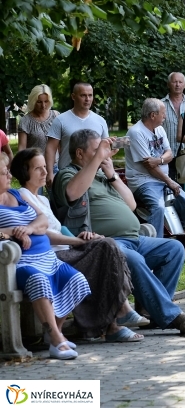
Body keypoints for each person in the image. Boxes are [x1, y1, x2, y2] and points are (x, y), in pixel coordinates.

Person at [52, 129, 185, 335]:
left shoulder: (102, 175)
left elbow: (131, 205)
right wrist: (98, 160)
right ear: (80, 153)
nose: (103, 153)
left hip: (134, 238)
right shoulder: (67, 174)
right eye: (97, 149)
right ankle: (171, 316)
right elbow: (71, 193)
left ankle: (150, 311)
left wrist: (112, 175)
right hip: (107, 244)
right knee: (134, 259)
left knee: (174, 249)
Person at [11, 148, 146, 342]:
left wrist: (82, 236)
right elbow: (43, 235)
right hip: (49, 257)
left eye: (44, 167)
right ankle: (118, 316)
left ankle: (116, 321)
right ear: (25, 172)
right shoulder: (23, 196)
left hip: (64, 251)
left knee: (104, 246)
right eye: (37, 169)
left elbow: (58, 229)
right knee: (105, 247)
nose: (45, 172)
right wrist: (78, 242)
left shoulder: (42, 199)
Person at [0, 153, 91, 359]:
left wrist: (29, 228)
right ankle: (57, 340)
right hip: (21, 263)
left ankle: (55, 334)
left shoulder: (17, 194)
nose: (8, 175)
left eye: (7, 171)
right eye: (3, 173)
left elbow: (42, 218)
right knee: (39, 281)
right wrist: (12, 232)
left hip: (47, 257)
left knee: (77, 280)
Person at [124, 99, 185, 238]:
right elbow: (149, 168)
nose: (165, 117)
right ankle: (157, 245)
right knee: (158, 208)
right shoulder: (136, 133)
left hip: (163, 180)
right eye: (163, 114)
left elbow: (170, 154)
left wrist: (159, 160)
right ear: (152, 115)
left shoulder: (159, 129)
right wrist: (169, 181)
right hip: (144, 182)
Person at [45, 82, 108, 189]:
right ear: (73, 97)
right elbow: (51, 148)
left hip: (95, 175)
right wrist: (49, 172)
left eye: (90, 95)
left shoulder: (100, 121)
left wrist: (108, 171)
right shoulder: (61, 120)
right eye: (83, 95)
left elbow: (105, 148)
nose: (87, 99)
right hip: (68, 175)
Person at [161, 72, 185, 179]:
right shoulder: (160, 105)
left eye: (180, 82)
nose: (177, 85)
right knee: (168, 189)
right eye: (174, 82)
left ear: (184, 85)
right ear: (168, 84)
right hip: (165, 155)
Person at [18, 85, 60, 155]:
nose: (43, 105)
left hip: (56, 164)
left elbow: (62, 143)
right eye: (39, 102)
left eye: (46, 101)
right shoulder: (25, 121)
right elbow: (22, 148)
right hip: (35, 164)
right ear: (33, 101)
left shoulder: (56, 116)